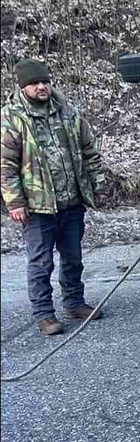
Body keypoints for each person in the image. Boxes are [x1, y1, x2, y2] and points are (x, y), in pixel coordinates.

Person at [0, 59, 107, 335]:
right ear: (23, 87)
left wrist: (98, 184)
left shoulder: (67, 111)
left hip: (71, 201)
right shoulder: (11, 117)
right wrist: (15, 202)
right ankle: (44, 314)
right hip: (37, 207)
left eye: (45, 81)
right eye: (35, 83)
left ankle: (74, 302)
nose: (41, 87)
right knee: (41, 262)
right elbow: (5, 165)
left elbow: (89, 150)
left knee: (73, 257)